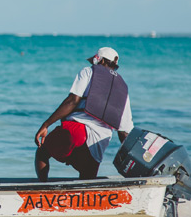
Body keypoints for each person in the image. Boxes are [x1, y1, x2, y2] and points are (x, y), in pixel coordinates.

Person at [34, 46, 134, 181]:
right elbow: (124, 132)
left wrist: (46, 125)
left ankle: (41, 191)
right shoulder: (123, 88)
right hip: (97, 146)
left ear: (99, 60)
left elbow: (72, 101)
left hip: (77, 132)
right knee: (86, 182)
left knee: (42, 152)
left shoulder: (88, 72)